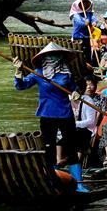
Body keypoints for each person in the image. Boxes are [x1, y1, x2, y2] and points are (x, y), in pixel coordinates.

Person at [12, 43, 88, 192]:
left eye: (56, 56)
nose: (54, 59)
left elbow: (74, 89)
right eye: (50, 56)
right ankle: (53, 181)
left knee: (71, 147)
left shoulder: (66, 74)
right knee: (49, 147)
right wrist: (18, 70)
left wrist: (76, 93)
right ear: (44, 58)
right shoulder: (38, 73)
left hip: (65, 114)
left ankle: (78, 183)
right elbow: (21, 86)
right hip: (47, 114)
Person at [71, 75, 107, 164]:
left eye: (91, 85)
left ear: (96, 86)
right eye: (86, 85)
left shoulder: (102, 99)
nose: (89, 87)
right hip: (80, 123)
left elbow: (101, 115)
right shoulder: (78, 98)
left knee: (82, 133)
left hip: (94, 125)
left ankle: (78, 161)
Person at [69, 0, 96, 65]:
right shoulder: (76, 15)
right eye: (82, 4)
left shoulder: (88, 13)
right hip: (78, 36)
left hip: (86, 36)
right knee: (79, 52)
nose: (84, 5)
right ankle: (80, 66)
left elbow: (93, 18)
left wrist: (94, 22)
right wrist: (85, 23)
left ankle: (89, 66)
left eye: (85, 4)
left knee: (88, 52)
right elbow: (80, 24)